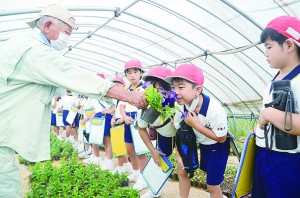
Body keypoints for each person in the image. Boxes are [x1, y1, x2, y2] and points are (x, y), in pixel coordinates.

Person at [0, 4, 146, 197]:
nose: (68, 39)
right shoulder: (34, 50)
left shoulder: (22, 43)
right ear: (48, 25)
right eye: (67, 32)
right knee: (7, 186)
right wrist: (129, 96)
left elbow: (59, 84)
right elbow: (74, 75)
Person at [253, 16, 300, 198]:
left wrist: (268, 114)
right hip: (265, 156)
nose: (265, 53)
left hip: (288, 162)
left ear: (289, 45)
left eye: (269, 46)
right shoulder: (275, 79)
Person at [165, 64, 229, 198]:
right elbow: (178, 133)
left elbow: (221, 138)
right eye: (173, 87)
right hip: (202, 144)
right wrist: (179, 157)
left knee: (212, 185)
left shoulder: (214, 110)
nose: (175, 91)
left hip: (217, 148)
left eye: (181, 87)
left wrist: (196, 125)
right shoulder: (180, 106)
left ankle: (216, 194)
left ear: (197, 90)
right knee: (196, 172)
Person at [137, 66, 176, 198]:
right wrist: (152, 150)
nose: (158, 92)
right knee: (160, 159)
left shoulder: (178, 102)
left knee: (185, 168)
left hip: (183, 136)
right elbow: (141, 128)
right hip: (165, 135)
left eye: (162, 89)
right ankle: (155, 190)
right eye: (154, 88)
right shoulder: (147, 105)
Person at [119, 60, 148, 190]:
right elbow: (121, 106)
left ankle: (144, 178)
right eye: (129, 72)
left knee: (141, 152)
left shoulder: (145, 87)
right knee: (130, 150)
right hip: (128, 121)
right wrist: (124, 117)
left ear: (141, 73)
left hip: (139, 121)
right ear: (126, 75)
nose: (132, 75)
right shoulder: (126, 88)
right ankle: (136, 173)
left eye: (135, 72)